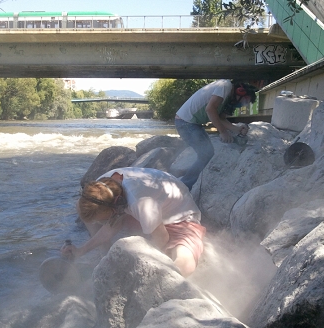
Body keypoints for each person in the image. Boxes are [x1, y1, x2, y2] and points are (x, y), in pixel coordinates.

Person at [61, 167, 206, 277]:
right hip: (141, 211)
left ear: (115, 207)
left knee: (183, 257)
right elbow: (110, 225)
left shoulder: (141, 202)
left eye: (104, 219)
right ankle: (104, 253)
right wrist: (81, 251)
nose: (103, 222)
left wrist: (151, 268)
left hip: (179, 216)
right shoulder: (101, 189)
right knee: (81, 208)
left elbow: (162, 238)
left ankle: (172, 279)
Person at [175, 79, 258, 190]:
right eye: (244, 101)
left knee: (206, 154)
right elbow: (210, 109)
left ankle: (184, 178)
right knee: (206, 154)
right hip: (185, 122)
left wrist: (237, 129)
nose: (242, 105)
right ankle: (185, 186)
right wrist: (223, 132)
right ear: (240, 91)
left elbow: (221, 119)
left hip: (192, 123)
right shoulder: (225, 86)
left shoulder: (227, 98)